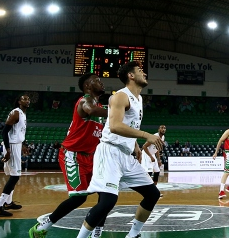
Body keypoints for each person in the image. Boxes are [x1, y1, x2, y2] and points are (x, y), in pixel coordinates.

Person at [75, 61, 164, 238]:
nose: (144, 74)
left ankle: (133, 235)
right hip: (110, 152)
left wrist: (136, 146)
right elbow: (115, 126)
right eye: (140, 71)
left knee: (152, 194)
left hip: (126, 153)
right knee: (108, 201)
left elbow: (127, 124)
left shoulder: (138, 99)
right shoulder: (120, 97)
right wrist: (145, 135)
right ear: (131, 76)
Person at [29, 74, 108, 238]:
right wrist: (118, 108)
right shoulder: (84, 101)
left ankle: (97, 232)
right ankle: (44, 226)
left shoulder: (100, 107)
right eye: (96, 80)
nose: (101, 82)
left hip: (92, 157)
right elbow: (91, 110)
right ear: (87, 85)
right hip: (73, 155)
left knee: (106, 194)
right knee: (79, 198)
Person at [0, 94, 30, 217]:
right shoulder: (16, 113)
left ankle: (8, 202)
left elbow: (18, 132)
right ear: (19, 101)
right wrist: (8, 150)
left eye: (28, 99)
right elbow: (4, 131)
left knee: (13, 175)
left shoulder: (23, 114)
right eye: (24, 99)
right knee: (15, 177)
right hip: (11, 146)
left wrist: (22, 144)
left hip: (16, 145)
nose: (27, 101)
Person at [142, 125, 166, 193]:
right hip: (146, 154)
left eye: (164, 128)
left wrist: (158, 160)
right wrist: (151, 157)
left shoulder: (163, 137)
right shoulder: (154, 137)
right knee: (149, 172)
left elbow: (157, 149)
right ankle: (147, 190)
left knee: (157, 171)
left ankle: (154, 190)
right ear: (158, 129)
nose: (163, 129)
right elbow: (144, 147)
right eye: (162, 128)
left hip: (152, 154)